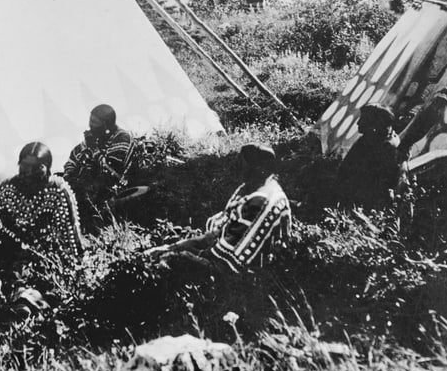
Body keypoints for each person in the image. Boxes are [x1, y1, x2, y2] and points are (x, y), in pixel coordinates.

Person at [145, 144, 291, 273]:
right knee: (166, 253)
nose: (236, 167)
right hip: (225, 254)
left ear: (260, 169)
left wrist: (179, 256)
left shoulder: (261, 202)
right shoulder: (250, 186)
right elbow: (217, 234)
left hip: (246, 274)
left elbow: (229, 264)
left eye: (242, 164)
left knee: (166, 264)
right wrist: (172, 248)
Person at [0, 141, 83, 276]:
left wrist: (73, 266)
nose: (30, 172)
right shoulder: (7, 188)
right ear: (19, 164)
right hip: (7, 257)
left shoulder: (57, 190)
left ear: (47, 167)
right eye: (25, 166)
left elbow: (70, 237)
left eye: (38, 167)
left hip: (44, 260)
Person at [63, 104, 137, 221]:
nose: (90, 125)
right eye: (90, 120)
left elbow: (112, 171)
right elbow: (71, 161)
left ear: (106, 125)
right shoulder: (89, 141)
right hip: (85, 189)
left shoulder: (121, 138)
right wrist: (69, 176)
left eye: (95, 122)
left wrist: (94, 149)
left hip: (111, 190)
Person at [337, 103, 405, 211]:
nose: (358, 123)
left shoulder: (385, 148)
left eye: (363, 119)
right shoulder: (374, 138)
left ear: (374, 124)